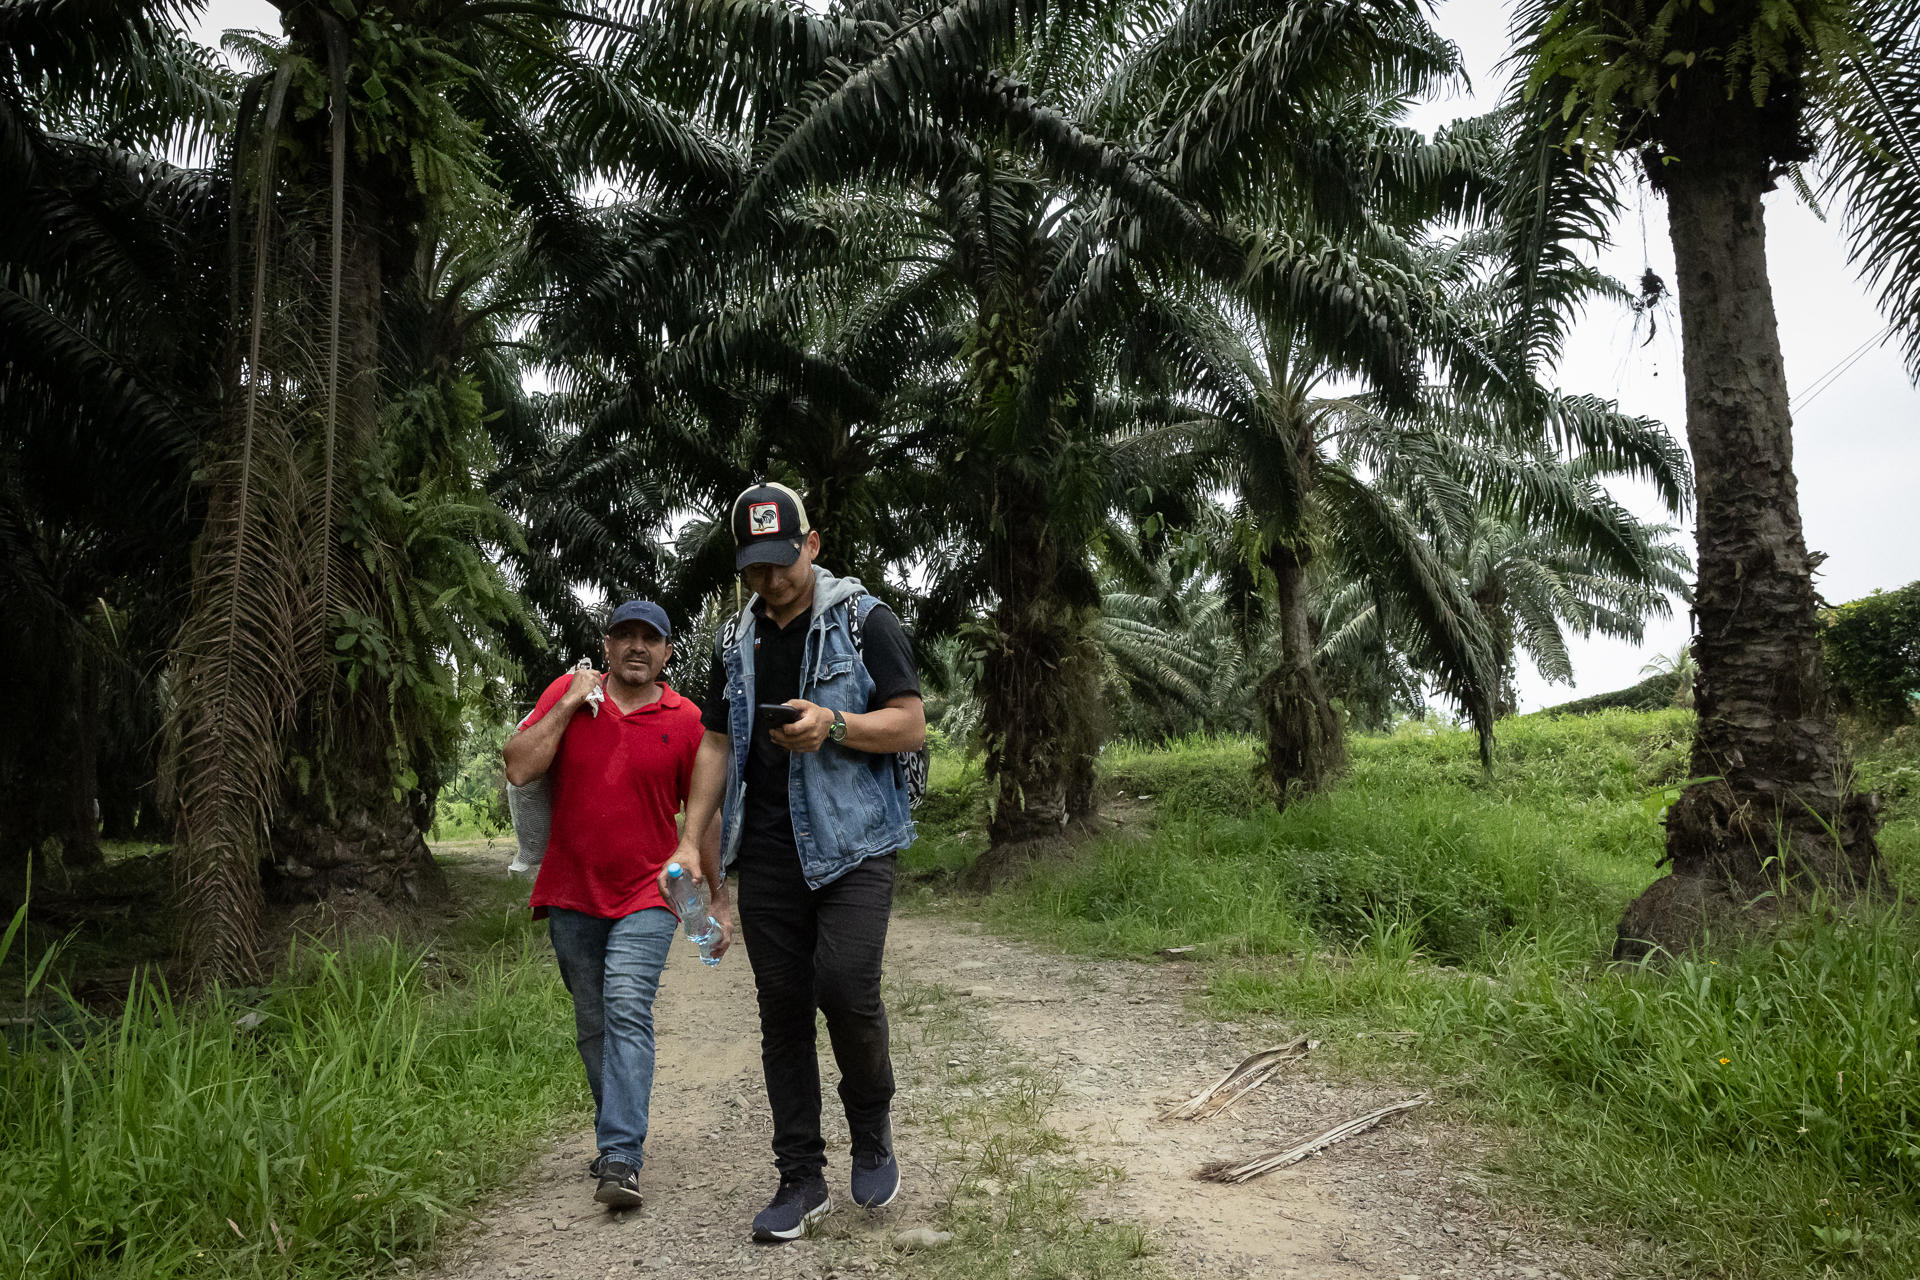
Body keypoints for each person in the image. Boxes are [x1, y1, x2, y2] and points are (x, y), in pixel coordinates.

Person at [666, 482, 925, 1242]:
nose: (770, 581)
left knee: (845, 988)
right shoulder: (732, 642)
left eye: (781, 563)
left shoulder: (863, 620)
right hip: (772, 849)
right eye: (754, 568)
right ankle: (800, 1177)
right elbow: (716, 742)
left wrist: (835, 724)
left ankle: (870, 1121)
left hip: (855, 841)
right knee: (782, 1014)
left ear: (811, 546)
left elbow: (909, 724)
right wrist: (691, 839)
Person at [504, 599, 725, 1210]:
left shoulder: (686, 720)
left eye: (648, 638)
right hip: (571, 889)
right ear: (605, 646)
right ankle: (614, 1134)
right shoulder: (568, 694)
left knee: (627, 1006)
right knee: (593, 1019)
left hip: (649, 892)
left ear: (666, 652)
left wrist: (719, 903)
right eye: (623, 636)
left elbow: (703, 819)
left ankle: (622, 1156)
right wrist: (571, 702)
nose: (636, 647)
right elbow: (519, 767)